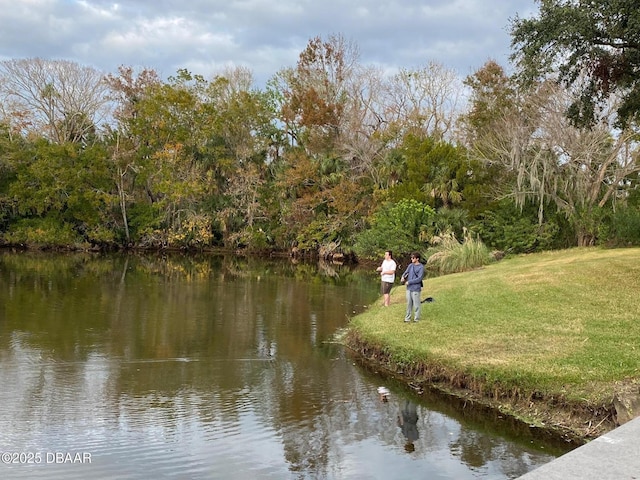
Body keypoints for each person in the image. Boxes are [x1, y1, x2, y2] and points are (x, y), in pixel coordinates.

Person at [401, 252, 424, 322]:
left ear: (417, 259)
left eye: (413, 258)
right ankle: (407, 318)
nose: (411, 259)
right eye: (411, 258)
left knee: (416, 304)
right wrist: (403, 277)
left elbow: (419, 278)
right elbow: (406, 272)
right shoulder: (410, 265)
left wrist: (409, 282)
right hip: (409, 288)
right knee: (409, 304)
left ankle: (416, 318)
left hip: (416, 288)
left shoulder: (421, 267)